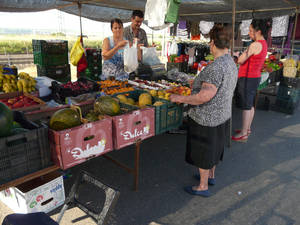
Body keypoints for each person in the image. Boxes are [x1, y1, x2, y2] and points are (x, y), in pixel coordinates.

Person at [170, 25, 238, 197]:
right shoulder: (230, 62)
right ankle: (211, 176)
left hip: (206, 117)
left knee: (204, 151)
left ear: (213, 43)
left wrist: (181, 99)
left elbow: (204, 96)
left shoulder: (216, 67)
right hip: (222, 115)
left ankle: (202, 186)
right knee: (215, 148)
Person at [232, 19, 269, 142]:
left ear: (258, 31)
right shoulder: (264, 43)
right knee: (250, 104)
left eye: (251, 31)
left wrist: (237, 56)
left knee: (246, 106)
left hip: (248, 78)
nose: (249, 33)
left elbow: (241, 60)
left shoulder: (255, 45)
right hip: (254, 77)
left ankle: (243, 134)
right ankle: (246, 129)